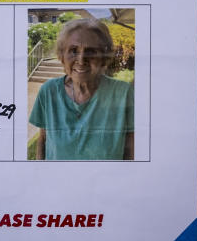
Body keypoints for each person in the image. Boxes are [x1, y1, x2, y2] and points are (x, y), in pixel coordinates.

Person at [29, 18, 134, 160]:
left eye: (91, 51)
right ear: (62, 56)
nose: (81, 59)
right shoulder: (49, 91)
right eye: (73, 50)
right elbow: (43, 139)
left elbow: (131, 150)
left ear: (104, 56)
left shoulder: (124, 94)